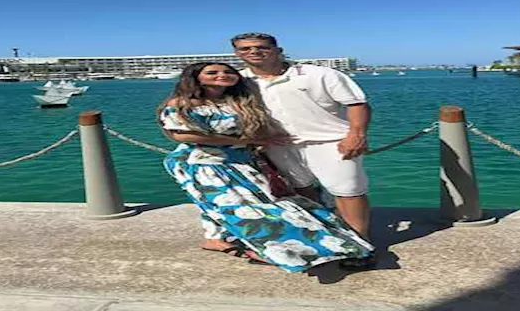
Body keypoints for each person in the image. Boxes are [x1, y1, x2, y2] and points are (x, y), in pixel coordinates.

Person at [157, 62, 375, 273]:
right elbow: (182, 135)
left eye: (227, 71)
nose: (221, 75)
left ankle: (214, 239)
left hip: (241, 161)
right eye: (212, 72)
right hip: (204, 164)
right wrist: (247, 141)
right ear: (195, 78)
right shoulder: (182, 103)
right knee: (242, 207)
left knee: (229, 204)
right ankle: (276, 248)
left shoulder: (235, 101)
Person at [231, 32, 376, 268]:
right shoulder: (239, 82)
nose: (254, 52)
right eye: (245, 49)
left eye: (261, 47)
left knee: (348, 191)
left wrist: (356, 135)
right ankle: (325, 239)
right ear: (237, 53)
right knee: (300, 191)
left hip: (332, 142)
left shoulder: (319, 74)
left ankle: (362, 245)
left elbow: (357, 104)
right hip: (278, 145)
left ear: (278, 50)